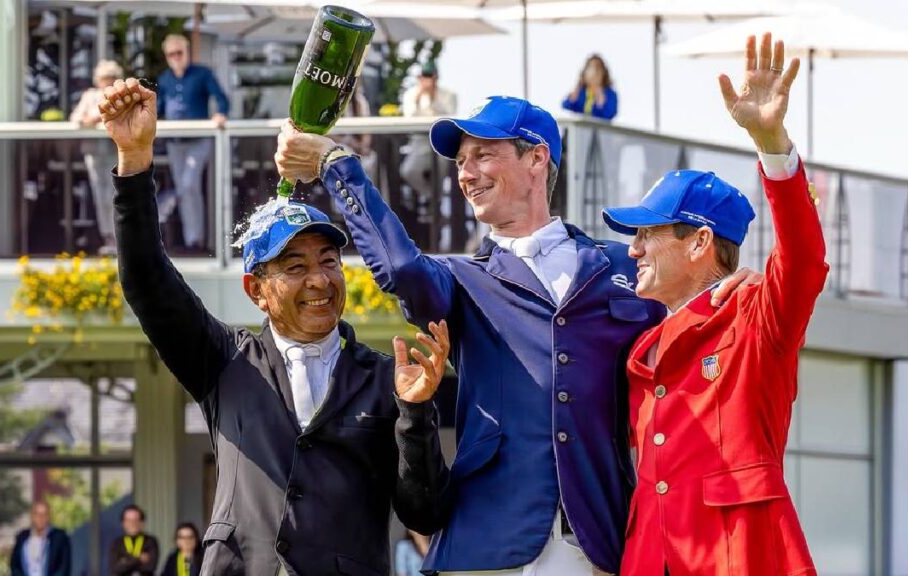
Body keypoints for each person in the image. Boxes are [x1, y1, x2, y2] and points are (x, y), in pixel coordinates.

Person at [276, 94, 756, 573]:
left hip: (596, 542)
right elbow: (400, 267)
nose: (466, 173)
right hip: (487, 541)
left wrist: (734, 284)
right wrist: (336, 165)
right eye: (461, 162)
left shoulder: (623, 266)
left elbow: (700, 316)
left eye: (483, 154)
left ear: (537, 157)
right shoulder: (461, 278)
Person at [98, 77, 450, 575]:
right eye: (294, 267)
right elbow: (146, 281)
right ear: (256, 291)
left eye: (329, 261)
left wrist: (415, 415)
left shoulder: (383, 378)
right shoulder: (225, 362)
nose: (318, 280)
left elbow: (425, 512)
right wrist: (134, 160)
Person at [602, 33, 825, 575]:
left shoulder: (755, 318)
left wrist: (772, 143)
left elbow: (803, 260)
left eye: (647, 234)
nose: (631, 250)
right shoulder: (642, 344)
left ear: (699, 243)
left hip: (739, 558)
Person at [156, 34, 230, 253]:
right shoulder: (165, 78)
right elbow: (159, 107)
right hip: (174, 141)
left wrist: (220, 114)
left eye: (179, 52)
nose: (176, 57)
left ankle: (196, 239)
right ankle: (192, 240)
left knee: (189, 185)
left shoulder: (202, 74)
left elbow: (222, 98)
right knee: (184, 189)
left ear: (187, 52)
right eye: (171, 54)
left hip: (199, 139)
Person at [70, 59, 123, 255]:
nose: (105, 82)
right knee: (99, 195)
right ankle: (107, 237)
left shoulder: (120, 95)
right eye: (102, 78)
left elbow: (120, 118)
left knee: (113, 194)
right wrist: (86, 120)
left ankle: (118, 237)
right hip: (92, 150)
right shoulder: (89, 96)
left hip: (113, 150)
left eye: (110, 78)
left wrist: (98, 119)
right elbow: (75, 118)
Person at [399, 61, 457, 198]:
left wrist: (433, 97)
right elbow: (409, 118)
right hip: (419, 142)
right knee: (408, 171)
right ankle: (431, 197)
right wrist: (418, 99)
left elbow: (449, 118)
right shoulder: (410, 95)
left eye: (429, 75)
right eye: (423, 76)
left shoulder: (449, 95)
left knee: (441, 168)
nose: (427, 79)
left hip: (441, 142)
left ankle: (436, 202)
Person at [9, 501, 72, 576]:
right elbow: (15, 565)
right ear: (32, 516)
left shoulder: (60, 538)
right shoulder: (22, 537)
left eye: (44, 514)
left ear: (49, 517)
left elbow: (64, 568)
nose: (41, 518)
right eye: (37, 514)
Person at [562, 54, 618, 121]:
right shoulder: (580, 92)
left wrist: (600, 99)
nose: (594, 72)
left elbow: (609, 114)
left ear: (603, 73)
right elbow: (566, 106)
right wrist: (575, 93)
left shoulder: (610, 94)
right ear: (585, 72)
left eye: (598, 68)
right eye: (591, 67)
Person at [109, 504, 160, 576]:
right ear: (123, 523)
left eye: (136, 520)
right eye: (128, 520)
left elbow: (150, 567)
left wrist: (125, 560)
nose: (132, 524)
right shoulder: (117, 543)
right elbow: (115, 568)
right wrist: (138, 558)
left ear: (142, 523)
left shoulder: (150, 541)